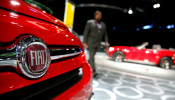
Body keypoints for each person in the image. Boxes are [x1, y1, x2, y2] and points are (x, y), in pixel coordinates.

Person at [83, 10, 109, 77]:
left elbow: (105, 34)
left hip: (97, 44)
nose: (99, 16)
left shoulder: (103, 24)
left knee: (91, 57)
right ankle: (94, 71)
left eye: (100, 15)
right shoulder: (90, 22)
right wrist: (84, 42)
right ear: (95, 15)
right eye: (98, 15)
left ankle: (85, 67)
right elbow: (85, 33)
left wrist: (106, 41)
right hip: (90, 43)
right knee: (92, 57)